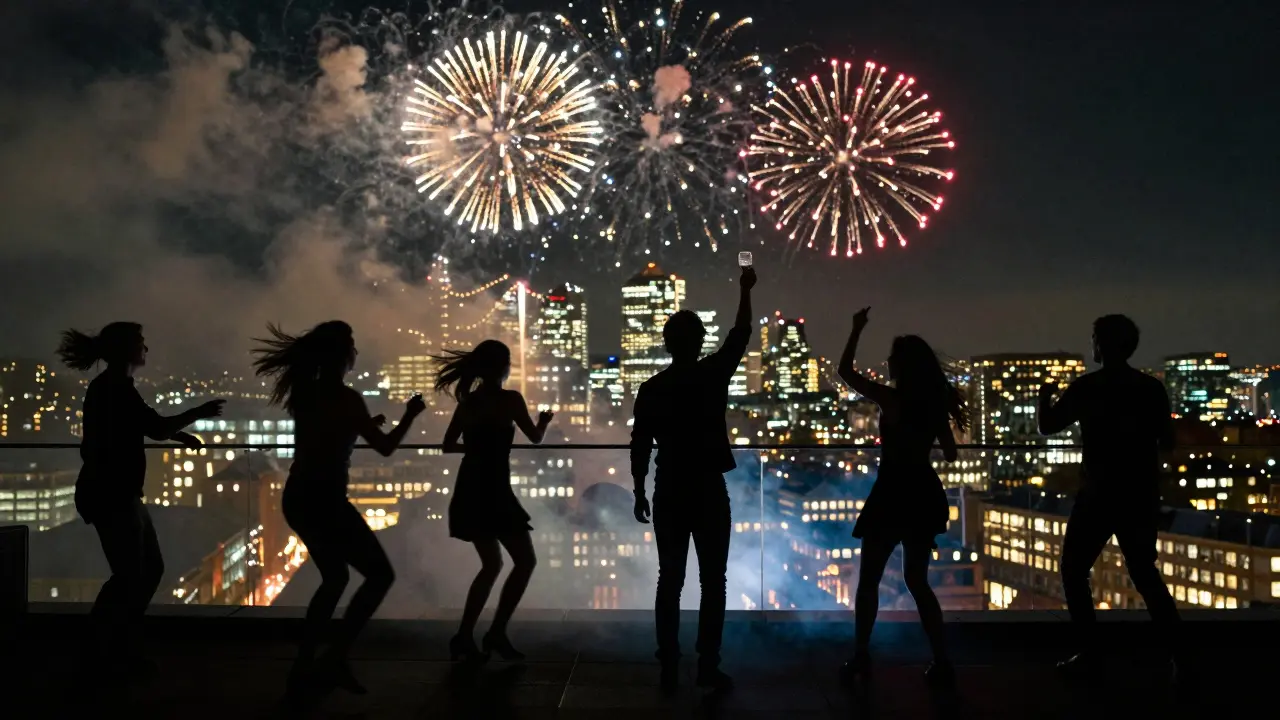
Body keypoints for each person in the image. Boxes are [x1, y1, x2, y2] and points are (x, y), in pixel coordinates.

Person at [253, 321, 424, 699]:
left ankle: (306, 663)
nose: (356, 353)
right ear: (343, 356)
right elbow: (384, 447)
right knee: (378, 576)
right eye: (352, 346)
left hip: (299, 497)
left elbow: (330, 433)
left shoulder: (306, 393)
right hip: (326, 500)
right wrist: (410, 416)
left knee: (335, 579)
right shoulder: (348, 400)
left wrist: (363, 423)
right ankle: (335, 656)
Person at [59, 322, 224, 678]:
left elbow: (144, 425)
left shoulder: (112, 388)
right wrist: (198, 414)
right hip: (114, 495)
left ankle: (112, 647)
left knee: (140, 572)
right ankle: (107, 649)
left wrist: (179, 435)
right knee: (135, 574)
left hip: (114, 493)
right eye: (141, 344)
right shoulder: (115, 388)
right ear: (127, 351)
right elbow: (154, 427)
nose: (146, 349)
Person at [629, 265, 757, 692]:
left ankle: (668, 658)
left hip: (668, 487)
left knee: (670, 578)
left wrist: (637, 490)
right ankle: (708, 662)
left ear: (667, 344)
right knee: (713, 581)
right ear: (700, 341)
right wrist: (744, 288)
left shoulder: (652, 388)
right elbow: (741, 333)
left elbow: (640, 444)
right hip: (706, 486)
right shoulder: (711, 375)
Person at [1038, 315, 1181, 674]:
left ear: (1101, 344)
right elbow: (1168, 441)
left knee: (1073, 570)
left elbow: (1048, 426)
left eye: (1093, 338)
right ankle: (1180, 655)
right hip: (1139, 493)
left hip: (1098, 493)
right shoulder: (1150, 388)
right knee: (1145, 574)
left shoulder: (1088, 387)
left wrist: (1044, 397)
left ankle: (1090, 652)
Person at [835, 308, 965, 685]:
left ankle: (861, 656)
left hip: (892, 494)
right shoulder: (933, 403)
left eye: (892, 358)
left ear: (902, 366)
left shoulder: (891, 400)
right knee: (917, 581)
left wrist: (856, 329)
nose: (887, 362)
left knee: (869, 581)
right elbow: (951, 453)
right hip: (923, 494)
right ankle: (941, 659)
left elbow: (846, 374)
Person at [436, 339, 552, 663]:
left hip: (470, 486)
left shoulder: (469, 403)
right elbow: (535, 437)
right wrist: (544, 421)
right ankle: (496, 632)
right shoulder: (511, 400)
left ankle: (464, 636)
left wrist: (475, 450)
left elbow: (447, 445)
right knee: (524, 562)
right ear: (504, 367)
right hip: (496, 490)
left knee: (491, 565)